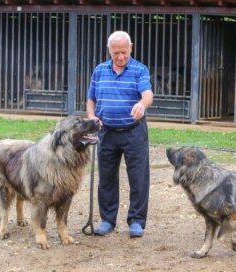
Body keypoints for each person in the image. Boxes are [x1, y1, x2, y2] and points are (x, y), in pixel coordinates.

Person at [86, 31, 154, 238]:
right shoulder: (99, 71)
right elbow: (91, 99)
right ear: (110, 50)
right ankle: (107, 220)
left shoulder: (139, 70)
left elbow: (148, 94)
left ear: (131, 47)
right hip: (106, 132)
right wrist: (92, 118)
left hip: (134, 131)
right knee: (106, 177)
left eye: (124, 52)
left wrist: (142, 104)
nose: (120, 57)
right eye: (116, 53)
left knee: (138, 177)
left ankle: (136, 221)